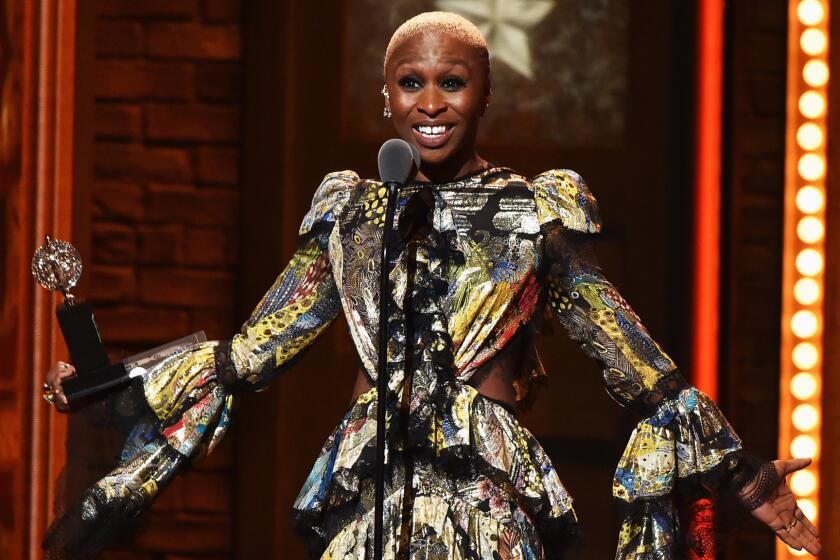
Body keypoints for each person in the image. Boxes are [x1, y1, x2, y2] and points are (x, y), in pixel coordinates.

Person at [43, 11, 821, 559]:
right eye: (410, 83)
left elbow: (629, 354)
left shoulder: (532, 214)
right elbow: (253, 351)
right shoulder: (352, 213)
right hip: (370, 498)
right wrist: (116, 386)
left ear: (486, 93)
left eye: (452, 81)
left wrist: (742, 471)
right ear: (386, 99)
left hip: (484, 497)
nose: (431, 102)